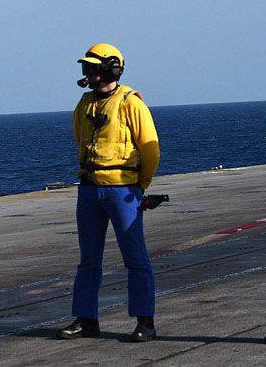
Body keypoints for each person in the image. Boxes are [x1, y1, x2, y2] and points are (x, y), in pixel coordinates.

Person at [57, 43, 160, 342]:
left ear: (110, 69)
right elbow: (80, 139)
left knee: (135, 258)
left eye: (92, 67)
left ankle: (146, 322)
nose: (87, 73)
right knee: (88, 259)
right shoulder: (85, 104)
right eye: (85, 68)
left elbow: (150, 148)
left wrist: (140, 186)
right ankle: (85, 319)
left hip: (122, 190)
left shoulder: (131, 102)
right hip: (90, 190)